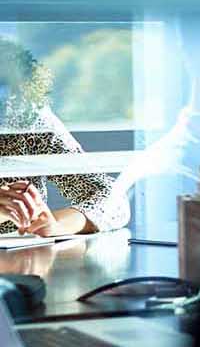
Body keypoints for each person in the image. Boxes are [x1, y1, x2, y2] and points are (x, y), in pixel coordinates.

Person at [0, 36, 129, 237]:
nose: (5, 100)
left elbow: (112, 201)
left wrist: (57, 224)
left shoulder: (28, 118)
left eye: (8, 87)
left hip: (22, 264)